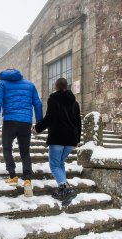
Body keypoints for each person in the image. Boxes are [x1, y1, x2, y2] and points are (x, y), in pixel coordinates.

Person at [0, 68, 43, 197]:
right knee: (25, 152)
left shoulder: (2, 84)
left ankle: (13, 176)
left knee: (7, 148)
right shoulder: (30, 85)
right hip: (25, 122)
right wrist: (39, 123)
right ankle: (27, 180)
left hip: (9, 121)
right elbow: (38, 104)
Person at [34, 77, 81, 206]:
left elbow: (50, 118)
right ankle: (62, 190)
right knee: (60, 164)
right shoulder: (75, 102)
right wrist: (77, 139)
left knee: (54, 165)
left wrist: (37, 128)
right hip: (71, 138)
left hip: (58, 137)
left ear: (56, 86)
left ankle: (67, 189)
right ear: (67, 86)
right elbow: (78, 122)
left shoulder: (53, 99)